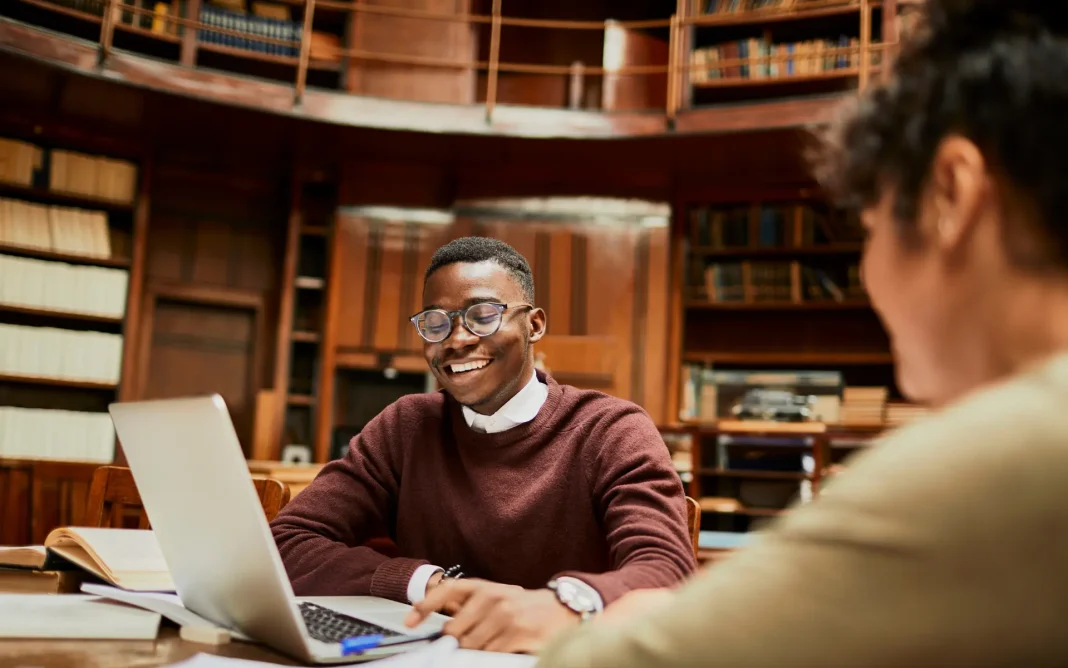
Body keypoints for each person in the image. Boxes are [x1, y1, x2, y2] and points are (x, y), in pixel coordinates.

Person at [536, 1, 1068, 665]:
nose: (869, 272)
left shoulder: (999, 460)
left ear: (950, 195)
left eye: (868, 228)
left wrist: (610, 628)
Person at [270, 236, 696, 653]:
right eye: (436, 322)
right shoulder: (406, 426)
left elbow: (666, 572)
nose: (456, 340)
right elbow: (287, 542)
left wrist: (561, 604)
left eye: (484, 315)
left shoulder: (611, 429)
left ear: (534, 325)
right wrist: (430, 585)